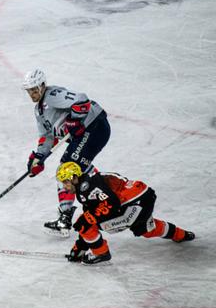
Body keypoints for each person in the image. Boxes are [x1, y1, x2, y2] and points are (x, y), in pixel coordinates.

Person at [21, 68, 112, 236]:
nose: (32, 94)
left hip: (94, 127)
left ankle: (65, 218)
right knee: (79, 168)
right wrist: (39, 157)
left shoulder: (52, 94)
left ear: (42, 86)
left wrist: (74, 120)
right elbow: (47, 136)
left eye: (34, 90)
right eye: (29, 91)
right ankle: (108, 195)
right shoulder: (39, 110)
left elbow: (82, 101)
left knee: (66, 170)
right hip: (87, 133)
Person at [56, 162, 195, 265]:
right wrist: (80, 247)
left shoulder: (88, 187)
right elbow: (94, 211)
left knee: (84, 223)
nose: (64, 186)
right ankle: (181, 234)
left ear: (75, 177)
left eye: (66, 182)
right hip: (143, 198)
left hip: (134, 203)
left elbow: (111, 204)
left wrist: (86, 224)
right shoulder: (86, 184)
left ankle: (101, 253)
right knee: (145, 229)